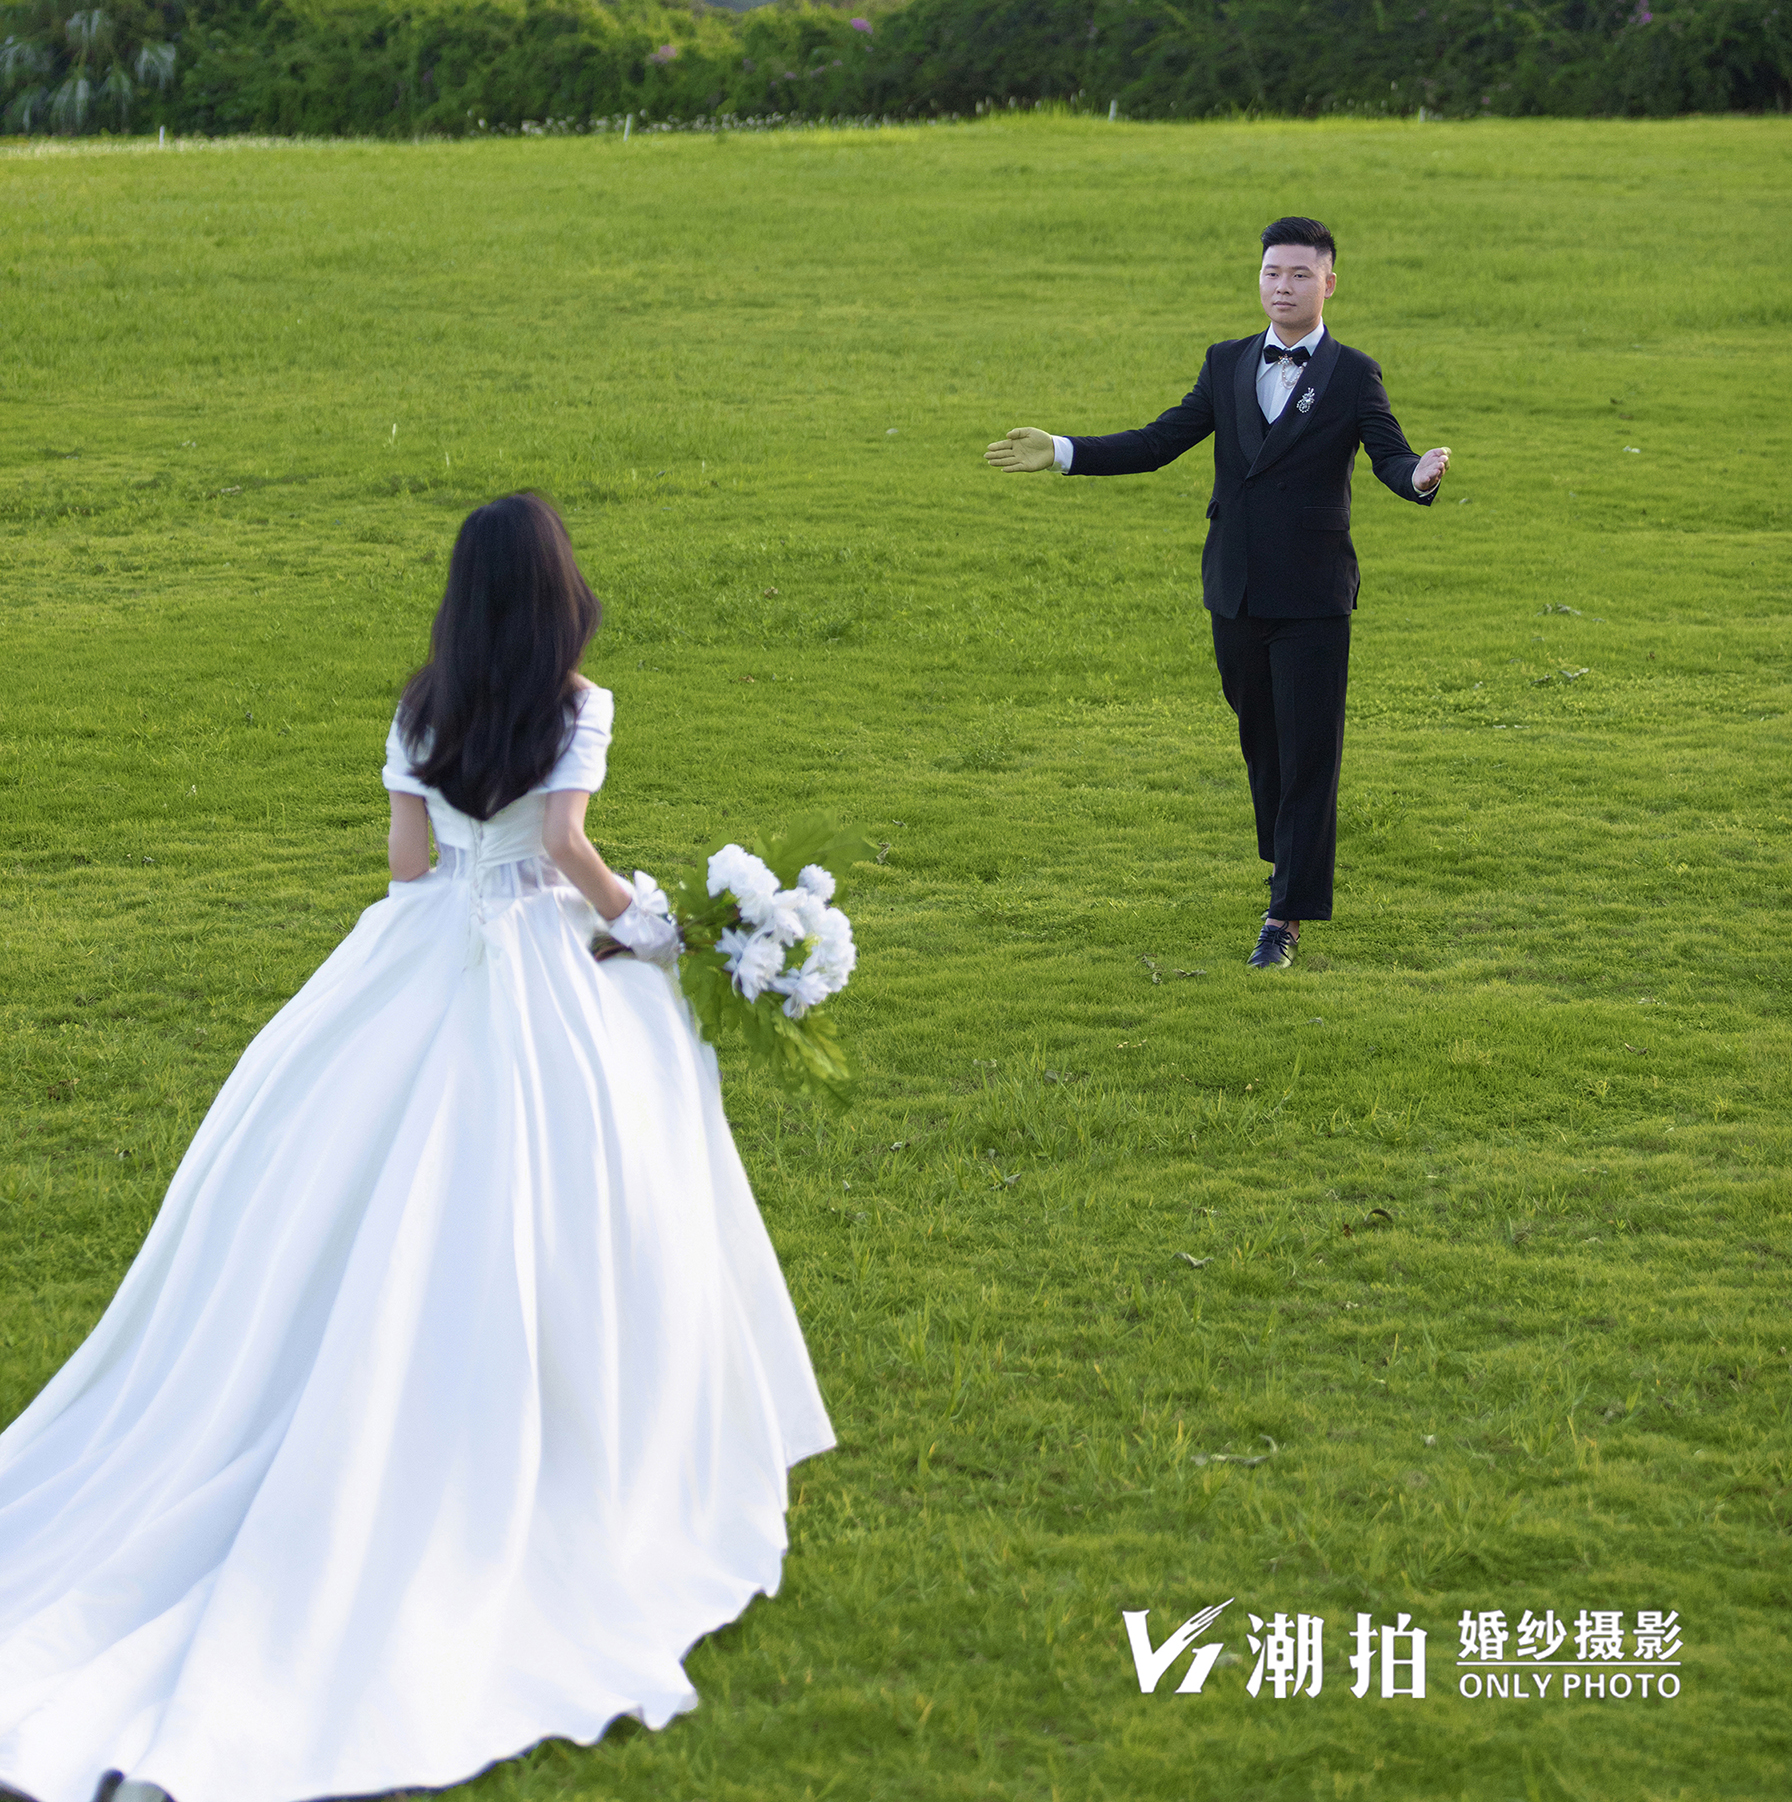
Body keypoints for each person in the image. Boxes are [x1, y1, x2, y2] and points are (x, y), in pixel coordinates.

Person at [0, 494, 833, 1802]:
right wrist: (654, 927)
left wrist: (459, 897)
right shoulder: (575, 703)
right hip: (541, 969)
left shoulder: (419, 703)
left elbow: (404, 868)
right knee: (562, 1189)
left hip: (417, 956)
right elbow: (564, 849)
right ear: (560, 590)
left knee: (335, 1182)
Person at [984, 217, 1450, 968]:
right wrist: (1066, 452)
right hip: (1233, 588)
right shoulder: (1226, 362)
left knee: (1307, 756)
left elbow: (1390, 456)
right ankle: (1288, 862)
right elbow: (1159, 441)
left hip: (1314, 595)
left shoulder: (1353, 373)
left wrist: (1418, 477)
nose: (1283, 287)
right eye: (1273, 272)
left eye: (1300, 275)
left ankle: (1286, 916)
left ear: (1329, 283)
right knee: (1262, 743)